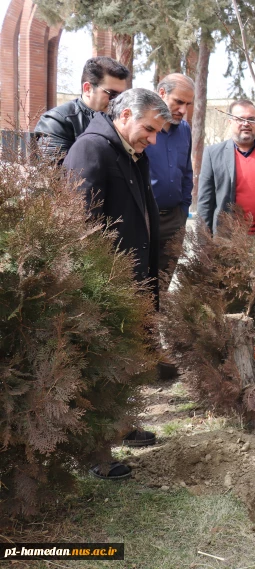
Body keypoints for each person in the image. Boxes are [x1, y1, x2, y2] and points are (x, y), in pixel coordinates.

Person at [63, 88, 171, 479]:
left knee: (124, 366)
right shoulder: (91, 150)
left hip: (130, 282)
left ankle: (121, 425)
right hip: (102, 289)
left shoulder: (131, 152)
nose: (153, 139)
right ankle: (96, 456)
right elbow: (79, 229)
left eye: (158, 131)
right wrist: (95, 291)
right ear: (124, 114)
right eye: (149, 129)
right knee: (100, 369)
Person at [196, 100, 255, 241]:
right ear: (230, 122)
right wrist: (203, 243)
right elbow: (205, 203)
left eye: (251, 119)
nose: (246, 123)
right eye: (240, 119)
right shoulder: (212, 154)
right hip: (225, 241)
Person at [146, 73, 195, 290]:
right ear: (162, 93)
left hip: (174, 221)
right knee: (139, 285)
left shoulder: (184, 129)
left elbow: (186, 172)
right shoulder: (143, 125)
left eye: (188, 104)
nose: (183, 110)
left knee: (163, 286)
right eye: (179, 102)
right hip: (145, 219)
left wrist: (183, 212)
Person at [35, 56, 130, 165]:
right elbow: (56, 175)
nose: (117, 101)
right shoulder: (56, 121)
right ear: (88, 89)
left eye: (122, 96)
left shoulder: (121, 120)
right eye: (112, 94)